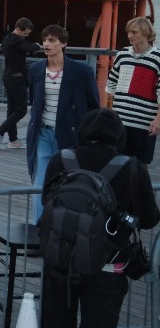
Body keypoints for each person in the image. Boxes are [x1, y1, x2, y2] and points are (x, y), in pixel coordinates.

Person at [39, 109, 160, 328]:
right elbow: (150, 219)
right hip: (108, 268)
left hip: (61, 263)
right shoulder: (132, 167)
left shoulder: (63, 159)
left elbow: (46, 200)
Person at [26, 24, 100, 221]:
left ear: (64, 43)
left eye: (52, 40)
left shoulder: (81, 71)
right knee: (40, 182)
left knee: (69, 181)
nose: (46, 44)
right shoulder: (35, 69)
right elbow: (34, 100)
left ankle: (63, 228)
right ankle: (39, 227)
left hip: (69, 134)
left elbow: (93, 105)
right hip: (42, 133)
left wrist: (88, 136)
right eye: (44, 40)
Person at [106, 16, 160, 164]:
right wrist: (108, 113)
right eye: (128, 32)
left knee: (140, 167)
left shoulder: (157, 58)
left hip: (144, 122)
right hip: (119, 120)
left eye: (134, 32)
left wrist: (158, 119)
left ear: (146, 33)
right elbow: (112, 83)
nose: (130, 35)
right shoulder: (122, 54)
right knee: (114, 163)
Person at [0, 18, 42, 150]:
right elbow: (29, 47)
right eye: (26, 34)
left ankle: (13, 140)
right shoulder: (17, 40)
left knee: (12, 109)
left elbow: (23, 48)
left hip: (8, 76)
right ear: (19, 29)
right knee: (21, 110)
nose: (26, 36)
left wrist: (28, 49)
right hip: (17, 78)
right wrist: (36, 45)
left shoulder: (8, 39)